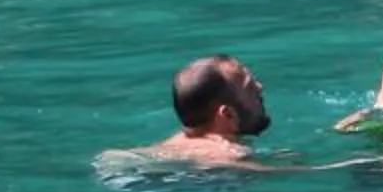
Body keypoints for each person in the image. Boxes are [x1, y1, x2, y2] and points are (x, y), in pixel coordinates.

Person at [105, 55, 270, 168]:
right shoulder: (227, 154)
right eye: (249, 88)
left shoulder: (171, 146)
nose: (259, 87)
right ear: (227, 115)